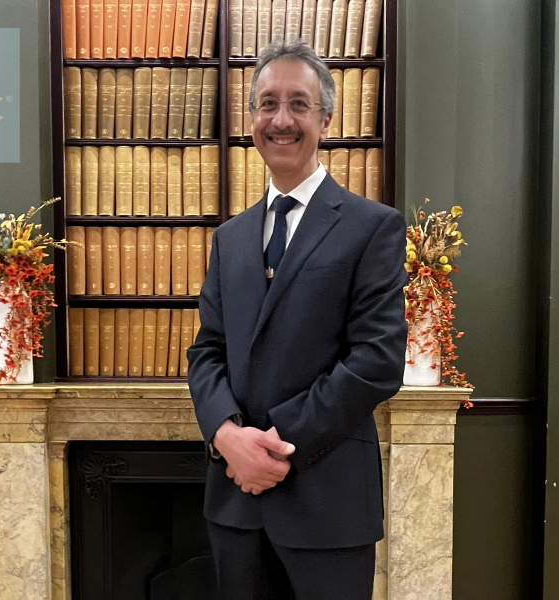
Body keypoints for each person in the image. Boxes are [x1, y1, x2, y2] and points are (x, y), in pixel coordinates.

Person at [187, 40, 407, 600]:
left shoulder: (372, 227)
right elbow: (207, 351)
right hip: (236, 503)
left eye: (298, 104)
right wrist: (227, 436)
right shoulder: (229, 238)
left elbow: (376, 362)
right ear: (252, 119)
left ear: (326, 119)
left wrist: (274, 445)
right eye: (267, 104)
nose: (280, 120)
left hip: (327, 504)